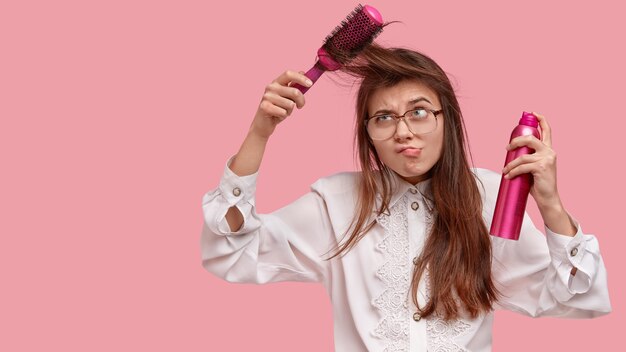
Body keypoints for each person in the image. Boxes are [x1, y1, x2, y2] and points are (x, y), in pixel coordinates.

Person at [200, 44, 611, 351]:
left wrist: (551, 204)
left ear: (446, 119)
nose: (403, 132)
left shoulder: (489, 198)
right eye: (384, 118)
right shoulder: (336, 203)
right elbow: (233, 250)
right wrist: (259, 133)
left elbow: (574, 297)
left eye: (418, 112)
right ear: (368, 135)